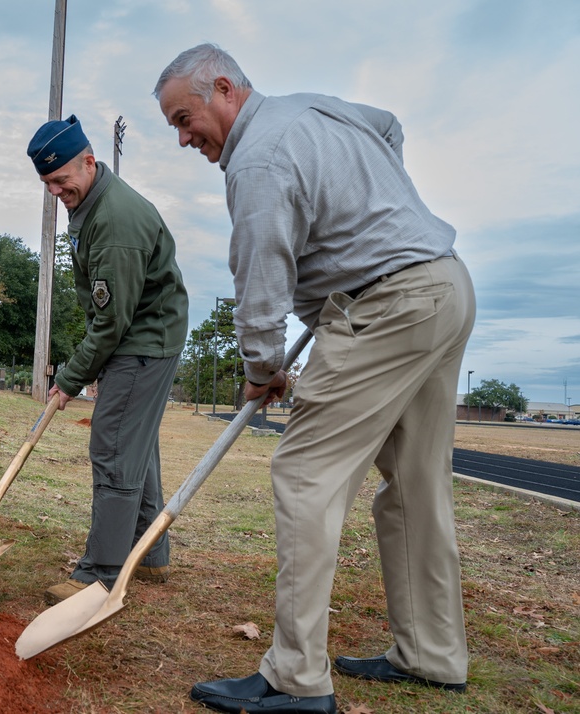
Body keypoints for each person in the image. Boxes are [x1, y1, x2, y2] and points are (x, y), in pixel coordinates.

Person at [154, 44, 475, 713]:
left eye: (185, 120)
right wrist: (379, 204)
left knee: (303, 475)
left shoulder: (258, 160)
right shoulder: (315, 110)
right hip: (442, 286)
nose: (185, 139)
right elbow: (387, 125)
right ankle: (432, 653)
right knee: (415, 482)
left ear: (222, 88)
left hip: (385, 305)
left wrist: (261, 371)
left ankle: (296, 679)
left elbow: (260, 275)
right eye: (176, 128)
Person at [26, 115, 189, 604]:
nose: (56, 190)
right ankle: (151, 556)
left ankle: (100, 573)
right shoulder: (94, 205)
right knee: (136, 447)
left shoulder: (116, 221)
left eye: (61, 180)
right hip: (142, 336)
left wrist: (71, 378)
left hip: (143, 341)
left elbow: (111, 321)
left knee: (114, 447)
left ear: (90, 162)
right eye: (47, 184)